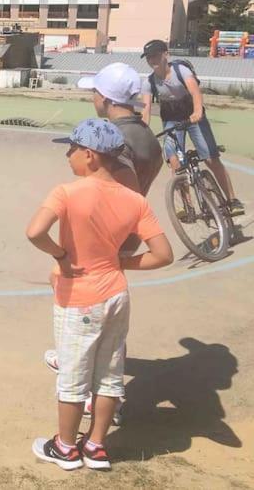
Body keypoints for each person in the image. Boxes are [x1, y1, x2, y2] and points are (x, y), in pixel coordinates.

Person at [27, 119, 173, 471]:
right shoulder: (135, 201)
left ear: (90, 156)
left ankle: (65, 447)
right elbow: (163, 254)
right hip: (116, 294)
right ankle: (95, 446)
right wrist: (122, 262)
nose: (68, 155)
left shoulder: (66, 192)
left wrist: (60, 255)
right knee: (110, 374)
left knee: (73, 376)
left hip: (79, 296)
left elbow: (35, 232)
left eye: (72, 149)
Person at [140, 39, 244, 216]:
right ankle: (186, 205)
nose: (152, 60)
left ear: (166, 54)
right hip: (171, 120)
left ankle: (232, 200)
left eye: (156, 55)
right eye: (149, 57)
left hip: (194, 117)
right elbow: (146, 109)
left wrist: (197, 113)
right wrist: (143, 131)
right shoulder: (149, 82)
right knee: (175, 162)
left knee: (211, 159)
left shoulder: (181, 71)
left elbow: (196, 93)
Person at [77, 62, 163, 196]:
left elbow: (121, 196)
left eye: (95, 91)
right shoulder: (148, 135)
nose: (93, 97)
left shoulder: (114, 141)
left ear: (104, 96)